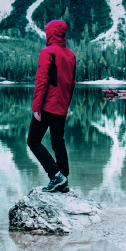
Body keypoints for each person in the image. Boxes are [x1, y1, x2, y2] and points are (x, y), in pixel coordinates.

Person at [27, 19, 76, 193]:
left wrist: (36, 107)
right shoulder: (71, 55)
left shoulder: (47, 52)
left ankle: (55, 175)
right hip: (62, 105)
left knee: (33, 140)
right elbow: (72, 83)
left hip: (47, 105)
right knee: (57, 141)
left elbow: (42, 81)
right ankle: (64, 179)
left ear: (51, 33)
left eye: (47, 31)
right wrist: (66, 105)